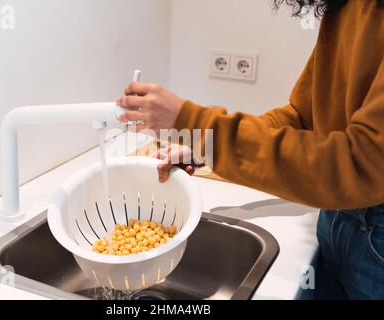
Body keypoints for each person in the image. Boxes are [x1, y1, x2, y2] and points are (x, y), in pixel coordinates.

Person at [116, 0, 384, 299]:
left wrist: (196, 125)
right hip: (337, 216)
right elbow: (304, 117)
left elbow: (362, 163)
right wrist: (203, 144)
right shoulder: (347, 6)